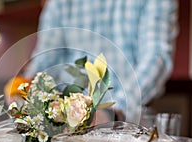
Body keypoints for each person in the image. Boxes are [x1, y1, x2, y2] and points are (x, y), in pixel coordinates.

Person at [22, 0, 179, 122]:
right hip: (67, 124)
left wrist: (113, 111)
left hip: (127, 123)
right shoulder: (59, 3)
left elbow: (156, 57)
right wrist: (24, 88)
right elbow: (45, 60)